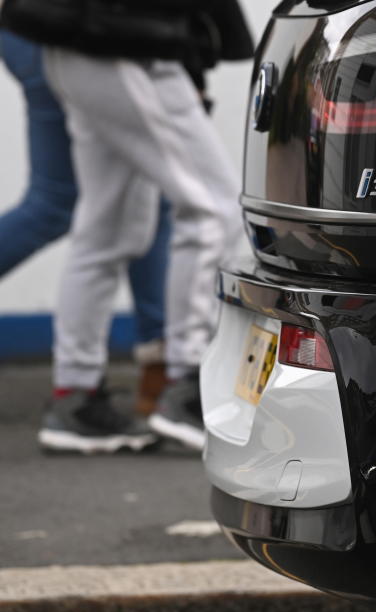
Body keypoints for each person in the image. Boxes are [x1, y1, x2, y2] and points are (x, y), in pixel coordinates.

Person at [0, 0, 254, 452]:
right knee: (213, 208)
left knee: (109, 227)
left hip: (82, 39)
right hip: (126, 37)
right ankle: (188, 385)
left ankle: (74, 398)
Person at [0, 29, 172, 431]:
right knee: (74, 202)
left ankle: (154, 364)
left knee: (131, 193)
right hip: (69, 31)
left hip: (40, 29)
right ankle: (153, 366)